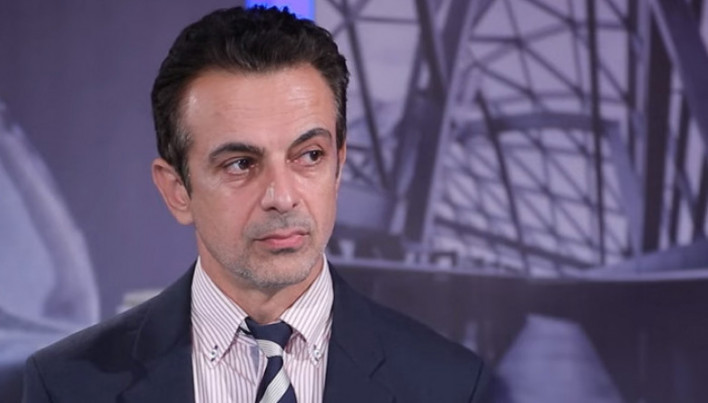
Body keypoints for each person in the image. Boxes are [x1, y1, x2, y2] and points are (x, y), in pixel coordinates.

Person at [22, 6, 487, 402]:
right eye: (241, 164)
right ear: (177, 190)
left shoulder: (450, 384)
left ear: (339, 168)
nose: (282, 196)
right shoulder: (66, 385)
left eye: (309, 156)